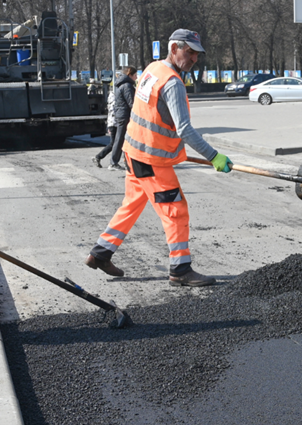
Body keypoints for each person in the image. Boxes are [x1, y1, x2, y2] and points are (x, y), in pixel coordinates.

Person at [85, 29, 233, 287]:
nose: (194, 59)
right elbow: (184, 129)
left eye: (197, 54)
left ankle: (100, 253)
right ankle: (180, 269)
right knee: (176, 211)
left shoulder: (152, 69)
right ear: (174, 48)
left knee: (131, 205)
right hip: (151, 160)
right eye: (190, 52)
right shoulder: (173, 82)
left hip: (134, 153)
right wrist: (214, 156)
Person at [95, 66, 136, 170]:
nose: (136, 77)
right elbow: (132, 103)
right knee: (120, 139)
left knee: (122, 139)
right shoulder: (127, 86)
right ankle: (114, 162)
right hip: (124, 115)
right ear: (130, 75)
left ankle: (124, 161)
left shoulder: (122, 85)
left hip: (121, 115)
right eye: (135, 75)